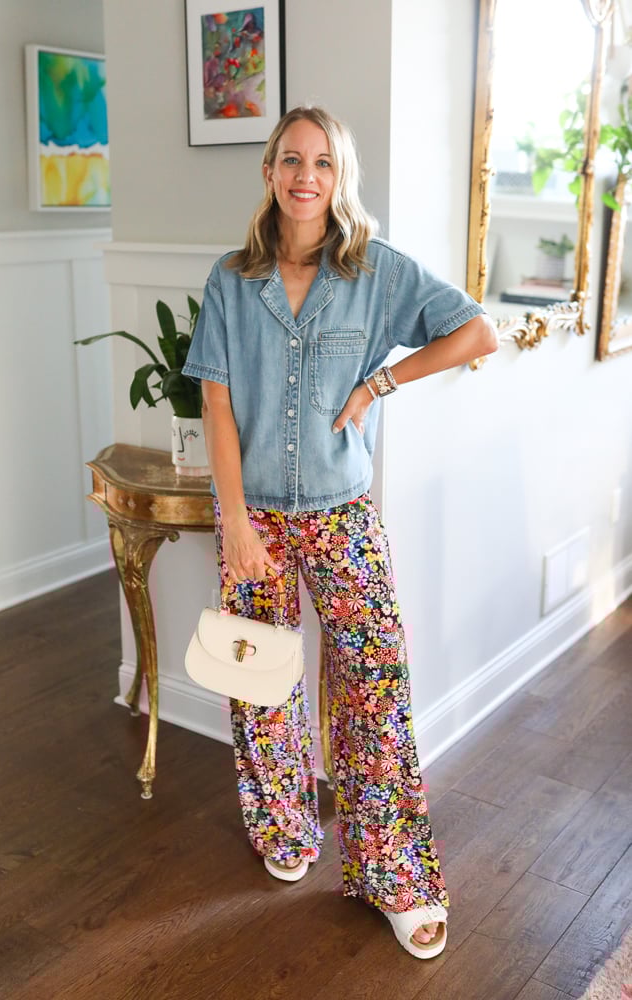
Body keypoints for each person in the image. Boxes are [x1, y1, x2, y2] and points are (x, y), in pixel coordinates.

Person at [182, 105, 498, 960]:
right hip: (257, 521)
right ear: (268, 172)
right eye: (290, 159)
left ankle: (395, 876)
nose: (305, 176)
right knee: (262, 682)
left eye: (322, 162)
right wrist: (237, 521)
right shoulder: (228, 281)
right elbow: (215, 401)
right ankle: (285, 829)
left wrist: (378, 386)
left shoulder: (377, 274)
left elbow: (479, 330)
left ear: (339, 175)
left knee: (373, 684)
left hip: (343, 514)